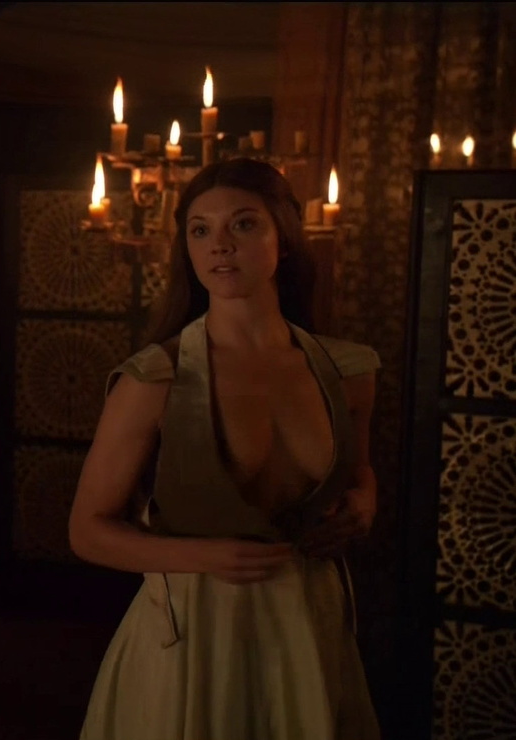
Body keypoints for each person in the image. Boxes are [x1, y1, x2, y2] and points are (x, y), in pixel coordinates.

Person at [68, 158, 381, 739]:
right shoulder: (154, 379)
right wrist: (203, 557)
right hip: (197, 632)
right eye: (200, 229)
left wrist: (365, 503)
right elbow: (86, 530)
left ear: (284, 237)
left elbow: (359, 471)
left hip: (310, 622)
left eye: (243, 224)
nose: (220, 244)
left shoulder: (349, 370)